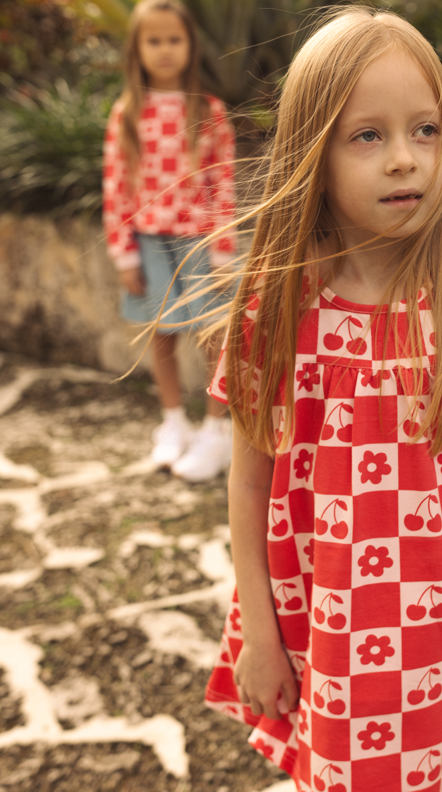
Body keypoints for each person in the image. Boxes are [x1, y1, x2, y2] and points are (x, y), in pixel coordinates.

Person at [203, 6, 442, 792]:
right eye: (367, 135)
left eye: (424, 129)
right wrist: (262, 633)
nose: (403, 157)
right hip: (312, 618)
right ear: (312, 152)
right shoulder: (274, 312)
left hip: (428, 627)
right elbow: (247, 482)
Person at [103, 0, 237, 482]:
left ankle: (216, 429)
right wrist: (123, 252)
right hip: (148, 240)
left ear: (190, 45)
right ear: (137, 49)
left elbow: (223, 182)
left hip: (199, 240)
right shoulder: (126, 115)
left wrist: (224, 247)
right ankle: (172, 420)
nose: (164, 49)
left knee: (210, 332)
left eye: (173, 39)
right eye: (153, 40)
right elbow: (116, 185)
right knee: (157, 329)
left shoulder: (210, 112)